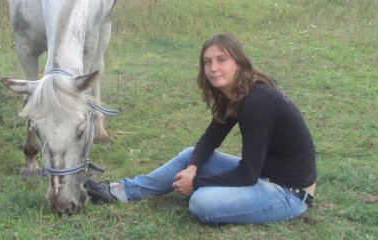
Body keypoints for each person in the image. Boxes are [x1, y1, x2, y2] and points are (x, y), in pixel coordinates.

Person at [85, 33, 317, 224]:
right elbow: (209, 140)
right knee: (190, 156)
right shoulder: (236, 93)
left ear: (239, 62)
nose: (213, 68)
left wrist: (194, 183)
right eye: (208, 62)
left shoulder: (257, 103)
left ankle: (201, 191)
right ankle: (119, 191)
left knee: (201, 202)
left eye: (221, 60)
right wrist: (193, 168)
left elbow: (248, 174)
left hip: (288, 192)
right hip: (264, 175)